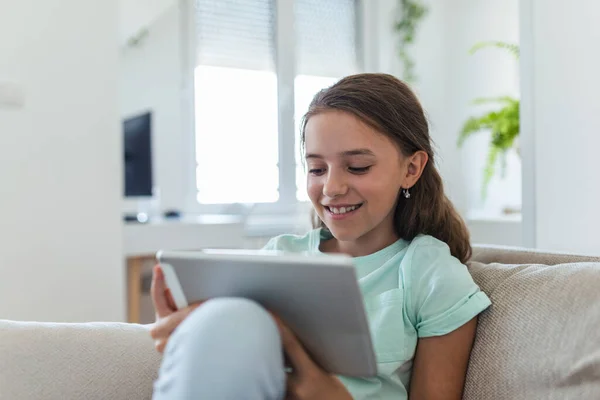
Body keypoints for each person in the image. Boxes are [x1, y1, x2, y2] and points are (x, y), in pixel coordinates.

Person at [149, 73, 492, 399]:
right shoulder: (278, 256)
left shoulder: (429, 274)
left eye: (357, 167)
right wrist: (190, 338)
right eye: (316, 169)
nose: (331, 187)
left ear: (411, 169)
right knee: (230, 320)